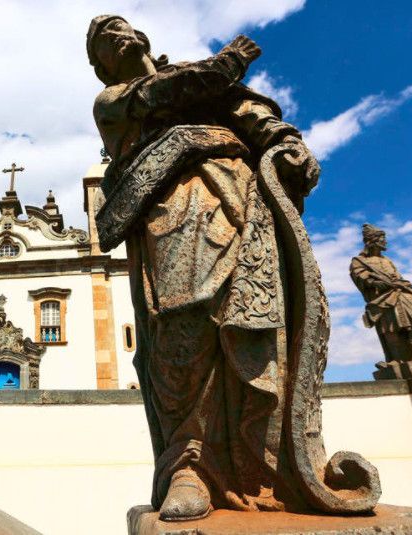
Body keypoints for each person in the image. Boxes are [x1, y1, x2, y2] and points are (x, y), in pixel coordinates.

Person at [86, 15, 379, 521]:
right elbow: (165, 93)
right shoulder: (114, 99)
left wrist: (282, 137)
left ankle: (265, 465)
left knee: (256, 322)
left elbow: (242, 106)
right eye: (100, 40)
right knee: (182, 324)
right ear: (101, 66)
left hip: (240, 192)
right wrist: (225, 64)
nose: (112, 33)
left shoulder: (200, 78)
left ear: (141, 37)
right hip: (172, 204)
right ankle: (189, 466)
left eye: (117, 25)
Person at [350, 224, 412, 362]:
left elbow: (397, 275)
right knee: (390, 328)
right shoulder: (359, 261)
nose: (385, 241)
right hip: (383, 298)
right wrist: (373, 282)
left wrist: (400, 283)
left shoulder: (387, 260)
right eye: (382, 238)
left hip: (402, 292)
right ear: (372, 240)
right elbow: (359, 275)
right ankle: (396, 360)